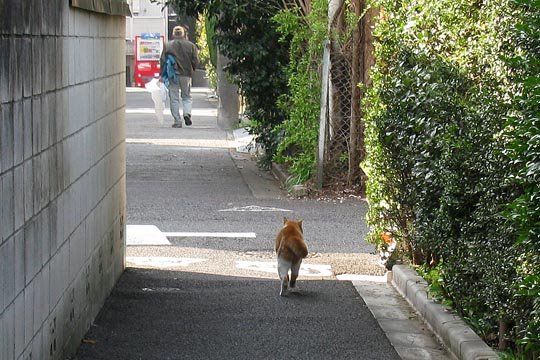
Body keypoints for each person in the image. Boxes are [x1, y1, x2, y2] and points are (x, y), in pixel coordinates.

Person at [160, 26, 199, 128]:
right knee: (186, 96)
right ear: (183, 34)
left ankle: (177, 121)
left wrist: (162, 75)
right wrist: (192, 70)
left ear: (173, 34)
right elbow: (195, 60)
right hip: (186, 74)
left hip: (173, 74)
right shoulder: (191, 46)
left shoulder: (168, 45)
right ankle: (187, 114)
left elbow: (163, 60)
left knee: (174, 98)